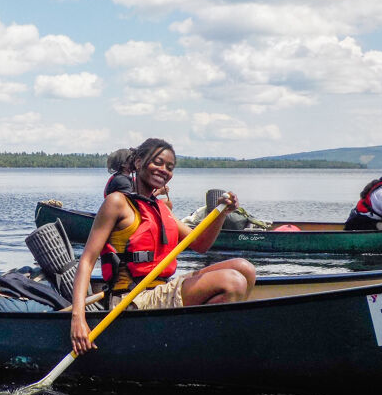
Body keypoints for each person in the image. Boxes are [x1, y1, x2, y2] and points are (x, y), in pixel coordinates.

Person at [70, 138, 256, 356]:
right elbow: (87, 260)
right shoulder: (117, 202)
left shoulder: (160, 207)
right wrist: (78, 318)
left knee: (245, 268)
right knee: (232, 281)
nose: (164, 170)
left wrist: (221, 214)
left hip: (159, 290)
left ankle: (207, 337)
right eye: (158, 163)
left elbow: (201, 244)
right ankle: (215, 346)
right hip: (132, 299)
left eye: (170, 167)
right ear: (138, 163)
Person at [105, 147, 172, 208]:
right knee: (165, 203)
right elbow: (132, 203)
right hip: (126, 213)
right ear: (124, 164)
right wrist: (158, 192)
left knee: (166, 202)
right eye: (132, 159)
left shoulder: (123, 178)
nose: (135, 162)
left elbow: (139, 194)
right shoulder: (121, 180)